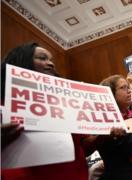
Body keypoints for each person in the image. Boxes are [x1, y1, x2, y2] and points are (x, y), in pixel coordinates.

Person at [1, 42, 89, 180]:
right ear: (22, 61)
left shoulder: (66, 104)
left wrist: (106, 133)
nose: (51, 64)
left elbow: (81, 146)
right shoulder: (3, 104)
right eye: (42, 58)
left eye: (51, 60)